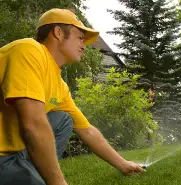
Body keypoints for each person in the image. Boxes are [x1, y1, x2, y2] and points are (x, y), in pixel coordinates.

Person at [0, 8, 144, 185]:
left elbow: (87, 131)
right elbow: (34, 124)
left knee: (63, 120)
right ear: (58, 33)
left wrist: (123, 164)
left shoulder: (59, 85)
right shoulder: (28, 50)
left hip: (15, 154)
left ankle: (29, 171)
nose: (84, 45)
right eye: (80, 38)